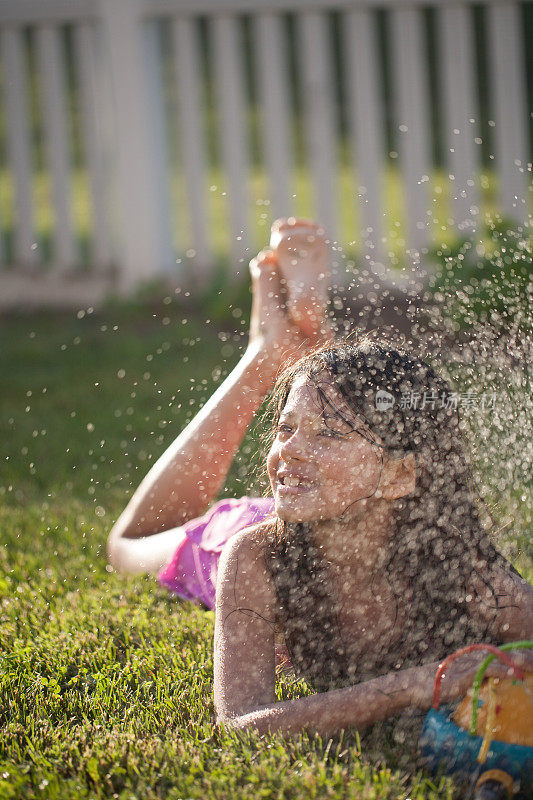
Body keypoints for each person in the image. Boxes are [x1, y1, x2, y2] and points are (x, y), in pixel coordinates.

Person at [107, 218, 533, 740]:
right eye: (286, 429)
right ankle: (267, 350)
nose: (289, 451)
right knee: (125, 547)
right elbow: (242, 725)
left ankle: (299, 345)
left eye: (329, 434)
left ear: (401, 475)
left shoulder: (458, 567)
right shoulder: (252, 558)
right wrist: (416, 685)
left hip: (310, 505)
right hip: (247, 528)